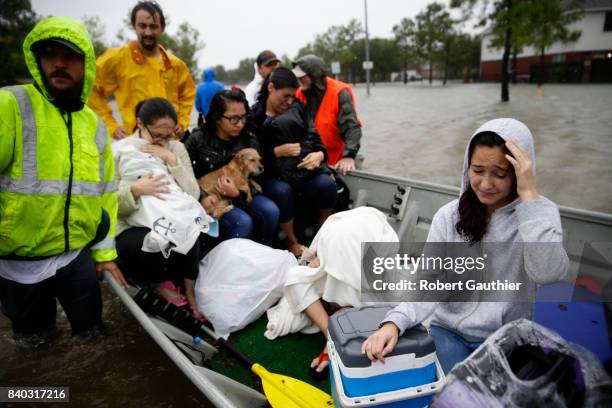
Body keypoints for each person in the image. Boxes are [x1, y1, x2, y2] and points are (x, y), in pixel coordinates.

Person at [361, 118, 569, 374]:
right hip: (449, 334)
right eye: (478, 170)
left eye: (500, 174)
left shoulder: (540, 213)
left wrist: (529, 196)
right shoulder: (449, 217)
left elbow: (546, 272)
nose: (486, 183)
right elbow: (428, 282)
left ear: (519, 173)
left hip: (508, 340)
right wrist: (393, 323)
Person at [0, 17, 127, 340]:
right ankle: (47, 396)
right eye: (50, 54)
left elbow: (106, 193)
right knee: (35, 346)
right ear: (37, 59)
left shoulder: (95, 125)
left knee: (93, 337)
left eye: (70, 56)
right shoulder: (11, 105)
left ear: (86, 65)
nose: (59, 63)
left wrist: (105, 255)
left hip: (76, 257)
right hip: (18, 263)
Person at [113, 97, 206, 318]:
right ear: (140, 124)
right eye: (156, 135)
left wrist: (171, 159)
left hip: (170, 213)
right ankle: (157, 283)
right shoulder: (121, 151)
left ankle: (190, 291)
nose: (162, 141)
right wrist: (134, 190)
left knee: (190, 226)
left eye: (168, 135)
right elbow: (106, 203)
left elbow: (193, 194)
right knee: (156, 238)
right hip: (131, 223)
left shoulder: (175, 147)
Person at [251, 67, 337, 257]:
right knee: (282, 191)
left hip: (302, 172)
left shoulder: (298, 108)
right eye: (286, 96)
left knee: (326, 185)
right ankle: (292, 241)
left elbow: (316, 140)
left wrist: (319, 155)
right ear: (271, 88)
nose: (289, 101)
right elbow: (251, 157)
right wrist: (275, 152)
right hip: (272, 175)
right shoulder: (255, 117)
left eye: (293, 96)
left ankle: (325, 234)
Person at [88, 1, 195, 139]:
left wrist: (181, 122)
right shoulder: (116, 59)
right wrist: (111, 125)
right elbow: (90, 88)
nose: (148, 32)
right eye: (142, 26)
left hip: (170, 142)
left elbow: (187, 95)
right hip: (135, 143)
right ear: (134, 26)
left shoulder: (175, 65)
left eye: (153, 26)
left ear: (162, 27)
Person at [184, 89, 280, 243]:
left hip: (242, 194)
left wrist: (238, 194)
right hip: (210, 197)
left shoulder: (249, 139)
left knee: (270, 211)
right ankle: (224, 261)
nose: (240, 124)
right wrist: (202, 196)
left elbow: (260, 176)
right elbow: (184, 175)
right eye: (234, 119)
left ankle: (260, 251)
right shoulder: (197, 139)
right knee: (241, 222)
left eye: (243, 117)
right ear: (217, 117)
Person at [292, 54, 362, 175]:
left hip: (339, 161)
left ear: (314, 75)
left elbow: (352, 127)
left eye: (302, 76)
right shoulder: (299, 94)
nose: (299, 79)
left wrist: (349, 156)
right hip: (312, 160)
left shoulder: (340, 93)